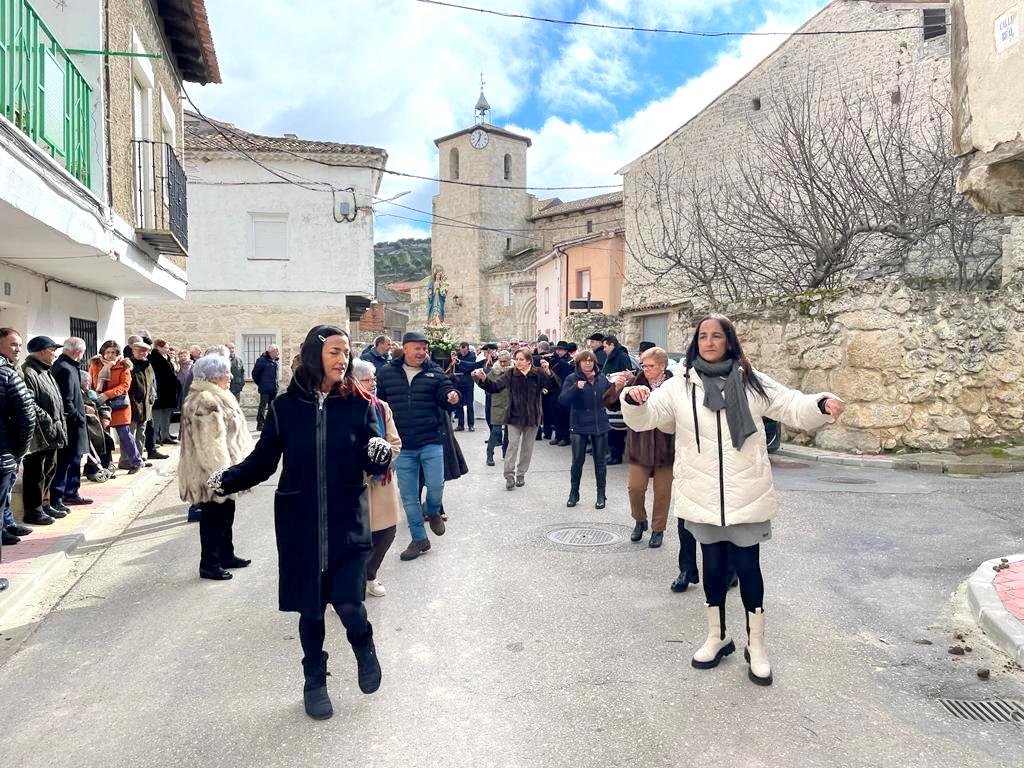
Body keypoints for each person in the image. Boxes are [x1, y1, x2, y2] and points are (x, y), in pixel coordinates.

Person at [621, 313, 845, 686]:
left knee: (748, 569)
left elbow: (791, 405)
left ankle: (756, 645)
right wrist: (634, 397)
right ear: (696, 342)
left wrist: (820, 404)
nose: (709, 342)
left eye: (717, 336)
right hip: (702, 493)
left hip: (747, 493)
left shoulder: (750, 381)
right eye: (703, 336)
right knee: (711, 568)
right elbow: (648, 417)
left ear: (729, 340)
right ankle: (717, 636)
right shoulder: (680, 386)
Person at [211, 326, 392, 720]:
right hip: (300, 526)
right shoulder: (284, 408)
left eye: (346, 352)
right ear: (314, 355)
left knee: (349, 605)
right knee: (310, 611)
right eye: (334, 352)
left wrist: (379, 455)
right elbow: (262, 463)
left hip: (347, 522)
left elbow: (372, 458)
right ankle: (315, 681)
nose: (342, 359)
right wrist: (223, 479)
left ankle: (363, 645)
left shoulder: (361, 405)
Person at [375, 330, 459, 561]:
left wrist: (452, 395)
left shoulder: (434, 371)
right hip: (402, 446)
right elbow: (379, 406)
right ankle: (419, 539)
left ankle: (432, 511)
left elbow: (446, 393)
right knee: (409, 496)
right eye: (418, 348)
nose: (422, 352)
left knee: (436, 486)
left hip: (431, 440)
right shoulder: (386, 373)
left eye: (425, 348)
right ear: (405, 348)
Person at [177, 354, 254, 580]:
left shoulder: (217, 395)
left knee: (226, 513)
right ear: (212, 377)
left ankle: (225, 555)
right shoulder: (205, 400)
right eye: (224, 373)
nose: (229, 376)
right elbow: (210, 444)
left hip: (223, 469)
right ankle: (209, 564)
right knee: (213, 518)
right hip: (210, 471)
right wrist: (222, 476)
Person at [604, 347, 675, 548]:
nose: (645, 369)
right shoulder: (636, 381)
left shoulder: (675, 385)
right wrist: (617, 388)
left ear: (662, 366)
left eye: (650, 366)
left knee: (662, 493)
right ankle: (639, 519)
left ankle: (658, 530)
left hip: (666, 449)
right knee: (635, 488)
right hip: (639, 446)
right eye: (643, 365)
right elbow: (611, 404)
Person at [472, 349, 556, 490]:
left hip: (532, 416)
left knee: (527, 448)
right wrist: (482, 378)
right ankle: (509, 476)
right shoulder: (511, 373)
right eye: (516, 359)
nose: (518, 362)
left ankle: (521, 474)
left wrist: (548, 371)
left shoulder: (538, 373)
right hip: (514, 416)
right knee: (512, 446)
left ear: (529, 360)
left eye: (521, 359)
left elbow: (553, 386)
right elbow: (494, 387)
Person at [352, 359, 401, 598]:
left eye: (373, 379)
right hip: (354, 482)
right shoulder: (344, 408)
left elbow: (395, 442)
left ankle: (369, 575)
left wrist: (380, 460)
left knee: (387, 532)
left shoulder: (382, 407)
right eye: (366, 380)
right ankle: (350, 582)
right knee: (356, 536)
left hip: (382, 481)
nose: (372, 384)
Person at [20, 336, 68, 525]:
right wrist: (47, 421)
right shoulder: (29, 372)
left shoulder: (45, 371)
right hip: (39, 433)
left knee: (49, 469)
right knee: (36, 473)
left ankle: (45, 504)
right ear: (41, 351)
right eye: (52, 350)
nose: (55, 354)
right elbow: (30, 403)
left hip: (52, 431)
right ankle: (34, 510)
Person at [558, 349, 612, 509]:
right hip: (579, 424)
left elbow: (610, 401)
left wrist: (617, 388)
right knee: (577, 461)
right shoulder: (572, 378)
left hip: (599, 424)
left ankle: (601, 495)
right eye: (584, 361)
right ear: (578, 363)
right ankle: (574, 493)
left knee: (600, 462)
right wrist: (576, 387)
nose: (588, 363)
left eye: (590, 360)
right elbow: (562, 400)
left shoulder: (602, 379)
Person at [0, 329, 36, 560]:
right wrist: (18, 450)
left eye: (19, 345)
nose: (17, 349)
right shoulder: (6, 374)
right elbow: (27, 415)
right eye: (13, 344)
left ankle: (7, 526)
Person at [49, 337, 93, 510]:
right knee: (65, 462)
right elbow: (66, 400)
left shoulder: (68, 366)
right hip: (70, 424)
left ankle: (71, 493)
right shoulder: (65, 369)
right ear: (78, 353)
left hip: (75, 423)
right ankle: (58, 498)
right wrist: (78, 417)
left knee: (75, 459)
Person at [91, 341, 146, 475]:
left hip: (119, 404)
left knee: (125, 435)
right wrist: (97, 396)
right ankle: (108, 465)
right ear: (103, 352)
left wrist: (106, 394)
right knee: (104, 436)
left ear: (117, 353)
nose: (110, 355)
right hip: (101, 405)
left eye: (113, 352)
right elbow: (92, 383)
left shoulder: (123, 365)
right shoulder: (95, 365)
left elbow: (125, 386)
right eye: (107, 352)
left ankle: (137, 462)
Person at [125, 338, 164, 462]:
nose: (143, 353)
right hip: (132, 404)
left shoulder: (148, 364)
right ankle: (128, 459)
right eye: (140, 351)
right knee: (130, 433)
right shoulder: (128, 364)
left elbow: (151, 384)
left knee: (141, 433)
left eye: (145, 351)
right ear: (133, 350)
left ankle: (139, 457)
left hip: (146, 404)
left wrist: (152, 398)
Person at [483, 350, 513, 466]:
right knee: (495, 430)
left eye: (505, 361)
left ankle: (505, 453)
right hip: (498, 403)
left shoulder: (515, 371)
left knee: (508, 431)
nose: (503, 364)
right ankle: (489, 455)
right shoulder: (494, 371)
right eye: (501, 361)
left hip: (511, 403)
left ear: (510, 360)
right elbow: (486, 383)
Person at [150, 340, 178, 446]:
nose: (167, 349)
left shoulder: (167, 358)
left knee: (166, 416)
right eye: (165, 347)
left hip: (168, 392)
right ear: (158, 347)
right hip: (160, 391)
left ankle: (165, 435)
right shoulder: (154, 358)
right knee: (157, 417)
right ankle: (156, 437)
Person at [451, 342, 482, 432]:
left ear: (467, 349)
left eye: (464, 351)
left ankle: (471, 424)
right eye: (461, 350)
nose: (463, 352)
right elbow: (455, 368)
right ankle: (460, 425)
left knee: (469, 404)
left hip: (468, 382)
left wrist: (460, 364)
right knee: (459, 404)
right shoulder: (457, 355)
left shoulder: (472, 356)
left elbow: (469, 367)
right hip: (458, 382)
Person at [548, 342, 574, 446]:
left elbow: (568, 375)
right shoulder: (555, 360)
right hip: (555, 390)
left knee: (564, 416)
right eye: (557, 349)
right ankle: (558, 436)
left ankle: (565, 437)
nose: (558, 351)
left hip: (564, 390)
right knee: (556, 415)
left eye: (561, 349)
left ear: (566, 350)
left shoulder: (569, 361)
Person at [251, 343, 281, 431]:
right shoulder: (262, 360)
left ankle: (271, 424)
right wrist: (261, 383)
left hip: (274, 388)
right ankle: (260, 424)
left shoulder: (275, 361)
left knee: (272, 407)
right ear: (271, 352)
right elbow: (255, 374)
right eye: (277, 351)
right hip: (265, 388)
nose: (278, 353)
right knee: (263, 406)